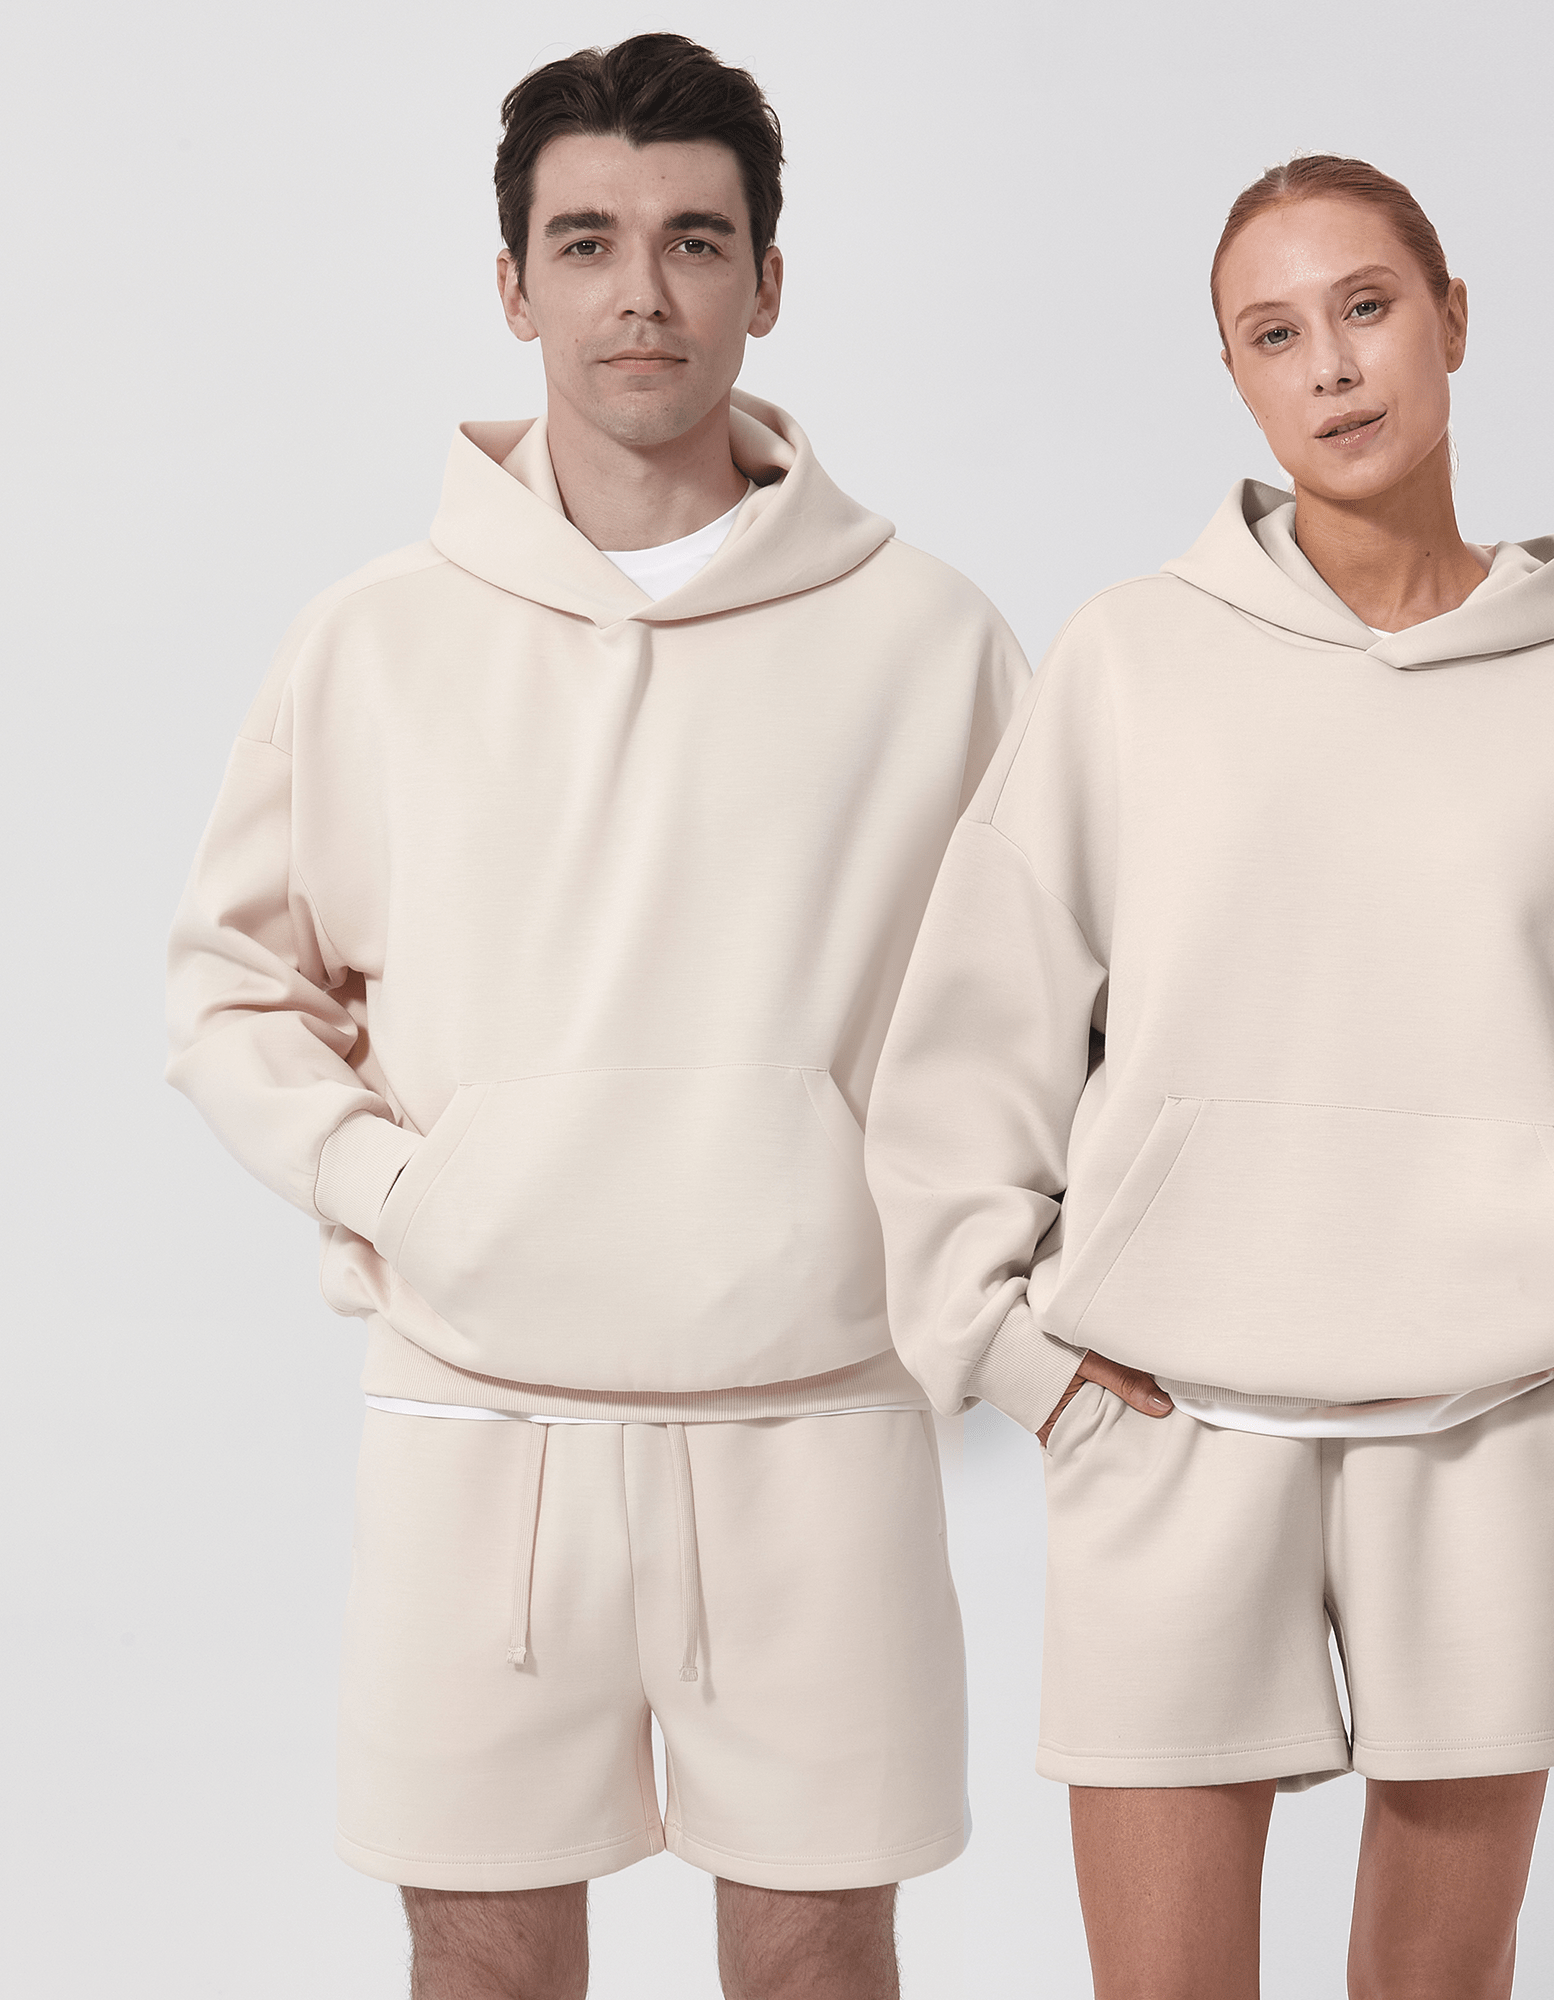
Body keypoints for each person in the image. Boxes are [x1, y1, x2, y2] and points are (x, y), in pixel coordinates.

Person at [864, 155, 1554, 1999]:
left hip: (1492, 1437)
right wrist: (1019, 1362)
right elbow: (969, 1055)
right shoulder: (1131, 661)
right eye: (1273, 333)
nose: (1332, 366)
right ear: (1234, 377)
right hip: (1166, 1427)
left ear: (1453, 318)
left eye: (1368, 307)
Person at [165, 33, 1026, 2000]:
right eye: (587, 242)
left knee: (818, 1964)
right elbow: (230, 982)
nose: (642, 291)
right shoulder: (376, 638)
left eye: (695, 241)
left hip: (819, 1410)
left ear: (768, 281)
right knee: (480, 1965)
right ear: (513, 285)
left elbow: (1046, 1023)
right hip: (480, 1405)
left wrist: (953, 1263)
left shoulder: (931, 641)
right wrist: (402, 1189)